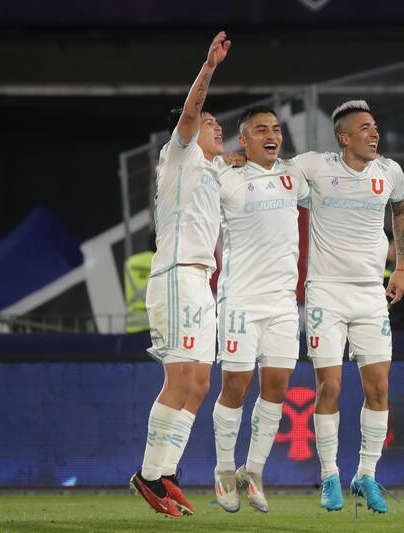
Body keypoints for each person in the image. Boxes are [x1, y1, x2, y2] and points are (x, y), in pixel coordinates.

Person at [289, 100, 404, 514]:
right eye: (364, 128)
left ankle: (366, 474)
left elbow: (401, 212)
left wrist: (402, 267)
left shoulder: (389, 172)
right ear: (344, 138)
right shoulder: (316, 167)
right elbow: (273, 169)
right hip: (325, 292)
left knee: (379, 388)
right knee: (331, 387)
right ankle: (328, 475)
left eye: (375, 126)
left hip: (370, 294)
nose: (374, 133)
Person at [129, 31, 231, 518]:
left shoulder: (213, 170)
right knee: (179, 378)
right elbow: (191, 114)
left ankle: (166, 471)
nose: (215, 127)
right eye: (209, 122)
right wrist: (208, 69)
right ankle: (149, 475)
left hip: (201, 283)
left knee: (200, 384)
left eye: (217, 124)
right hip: (175, 275)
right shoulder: (180, 154)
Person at [210, 105, 310, 514]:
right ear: (244, 139)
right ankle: (222, 472)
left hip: (283, 304)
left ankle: (253, 471)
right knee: (235, 386)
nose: (272, 134)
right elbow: (189, 167)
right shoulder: (227, 178)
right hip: (240, 303)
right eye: (261, 129)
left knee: (277, 390)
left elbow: (336, 185)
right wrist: (217, 157)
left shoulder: (294, 175)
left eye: (276, 128)